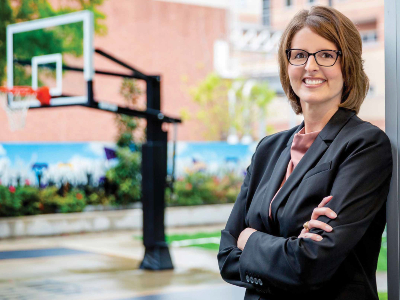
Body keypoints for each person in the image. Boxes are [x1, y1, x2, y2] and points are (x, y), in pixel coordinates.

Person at [217, 6, 393, 300]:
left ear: (346, 65)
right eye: (299, 55)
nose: (310, 66)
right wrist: (289, 251)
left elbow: (311, 264)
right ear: (287, 66)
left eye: (325, 55)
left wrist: (251, 239)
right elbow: (225, 256)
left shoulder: (364, 145)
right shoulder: (268, 149)